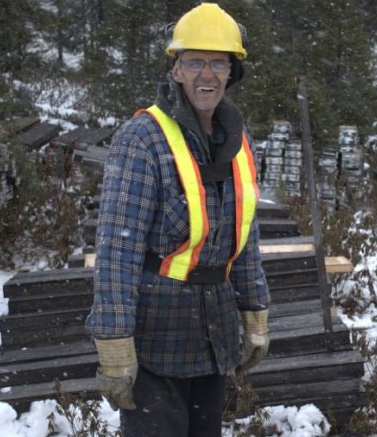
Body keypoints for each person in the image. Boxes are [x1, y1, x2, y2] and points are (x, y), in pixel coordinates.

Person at [85, 3, 269, 436]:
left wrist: (254, 314)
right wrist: (114, 345)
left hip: (215, 333)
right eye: (195, 62)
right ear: (176, 70)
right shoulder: (142, 139)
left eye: (218, 63)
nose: (208, 74)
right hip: (156, 336)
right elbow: (117, 248)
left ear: (232, 71)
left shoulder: (238, 140)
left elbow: (245, 238)